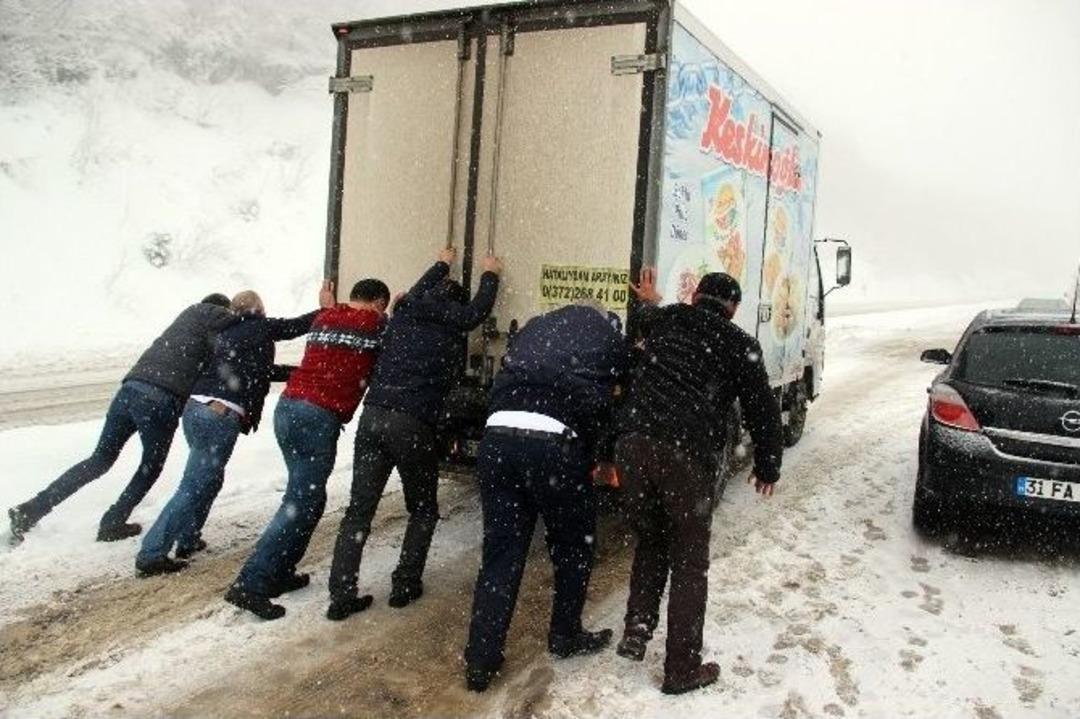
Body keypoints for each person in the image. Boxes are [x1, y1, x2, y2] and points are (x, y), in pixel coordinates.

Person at [613, 268, 783, 695]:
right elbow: (763, 409)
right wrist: (767, 465)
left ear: (695, 297)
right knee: (689, 562)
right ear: (734, 309)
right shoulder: (740, 344)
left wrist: (648, 300)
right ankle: (681, 668)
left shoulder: (668, 318)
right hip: (685, 455)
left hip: (633, 444)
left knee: (651, 539)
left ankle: (638, 627)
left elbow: (646, 317)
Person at [462, 300, 631, 693]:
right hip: (555, 444)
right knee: (573, 546)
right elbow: (618, 398)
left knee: (501, 553)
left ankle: (480, 660)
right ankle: (564, 635)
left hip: (498, 436)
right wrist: (601, 450)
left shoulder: (535, 326)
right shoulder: (606, 335)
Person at [326, 246, 500, 619]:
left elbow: (419, 289)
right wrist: (491, 274)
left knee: (359, 511)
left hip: (373, 416)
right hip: (412, 423)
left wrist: (441, 264)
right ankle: (405, 585)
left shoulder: (404, 311)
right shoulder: (454, 321)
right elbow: (478, 311)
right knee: (422, 508)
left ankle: (341, 594)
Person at [134, 285, 332, 576]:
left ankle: (188, 538)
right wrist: (326, 309)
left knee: (208, 479)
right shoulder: (259, 326)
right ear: (259, 310)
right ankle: (151, 553)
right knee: (194, 485)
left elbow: (259, 371)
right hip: (219, 415)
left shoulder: (225, 333)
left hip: (196, 408)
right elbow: (296, 326)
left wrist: (297, 373)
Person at [7, 294, 234, 545]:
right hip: (159, 402)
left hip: (130, 389)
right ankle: (114, 521)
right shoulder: (216, 333)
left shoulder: (184, 323)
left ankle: (31, 510)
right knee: (151, 466)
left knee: (99, 459)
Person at [224, 278, 391, 619]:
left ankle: (279, 572)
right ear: (378, 304)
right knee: (300, 502)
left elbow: (337, 318)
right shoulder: (374, 325)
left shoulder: (325, 317)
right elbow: (388, 333)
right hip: (317, 416)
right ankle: (250, 583)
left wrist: (328, 304)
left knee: (309, 499)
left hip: (288, 409)